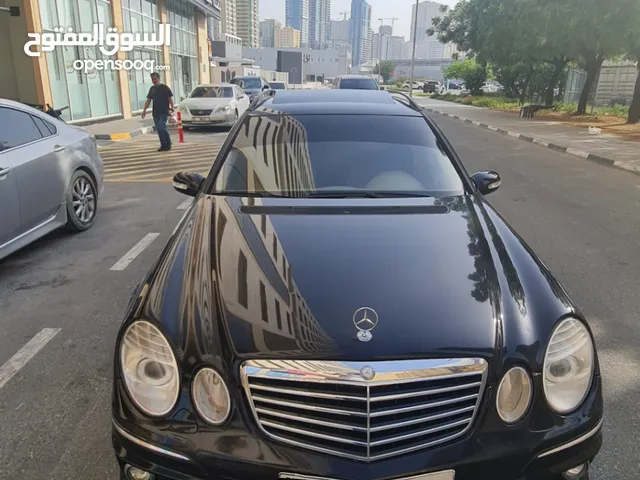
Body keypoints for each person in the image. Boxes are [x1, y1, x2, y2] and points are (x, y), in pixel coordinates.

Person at [141, 72, 174, 151]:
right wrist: (144, 110)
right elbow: (148, 100)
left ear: (159, 79)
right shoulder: (152, 89)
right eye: (152, 79)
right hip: (156, 113)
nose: (154, 80)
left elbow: (170, 99)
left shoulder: (165, 88)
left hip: (164, 111)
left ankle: (168, 143)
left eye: (155, 79)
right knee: (159, 129)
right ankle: (163, 145)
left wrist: (172, 108)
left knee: (162, 127)